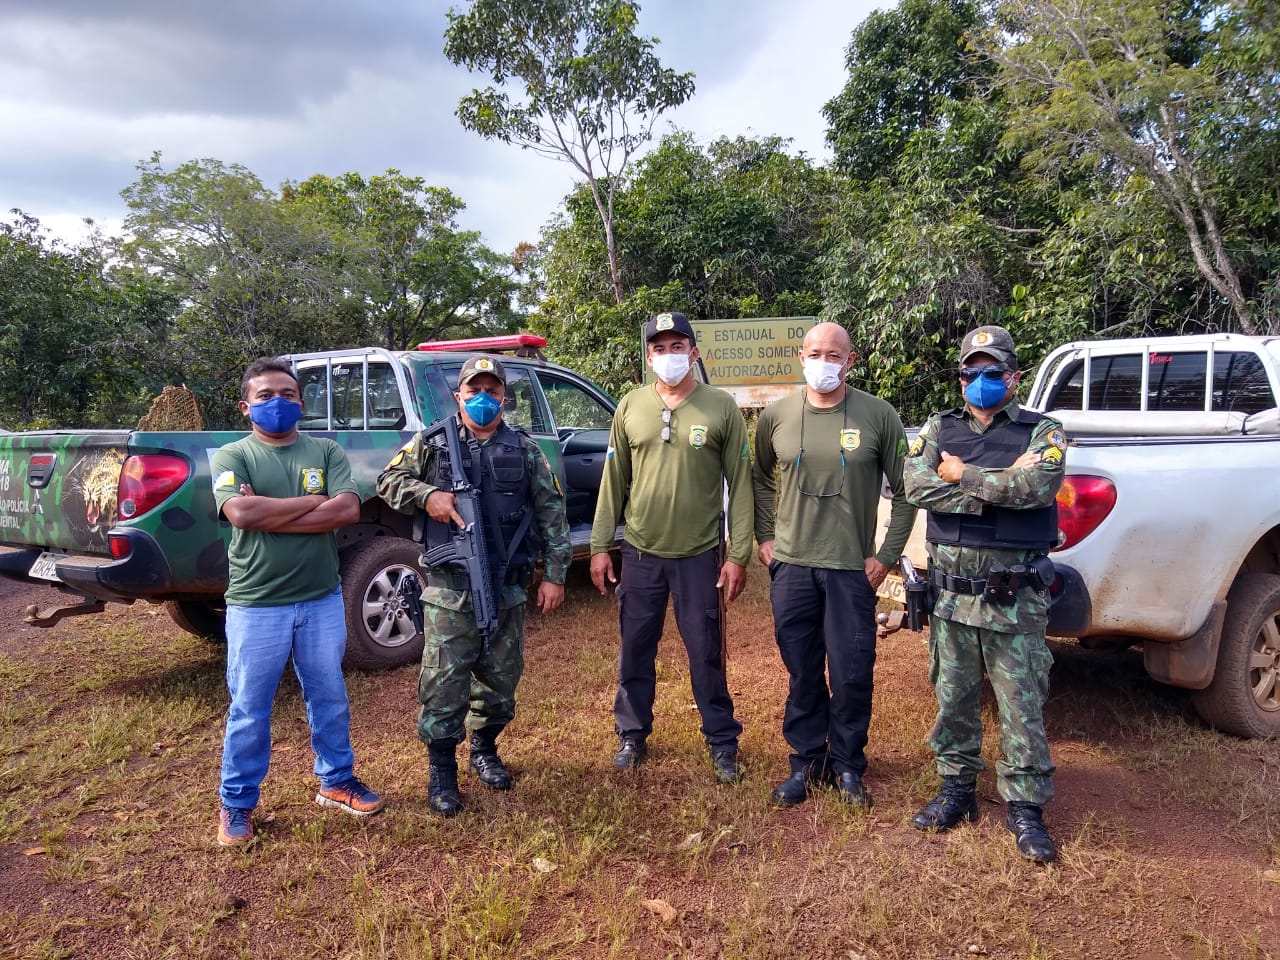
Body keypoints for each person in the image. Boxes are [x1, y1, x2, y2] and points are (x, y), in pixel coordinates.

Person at [376, 354, 570, 817]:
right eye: (474, 390)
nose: (483, 399)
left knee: (502, 681)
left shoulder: (523, 449)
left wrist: (557, 575)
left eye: (492, 391)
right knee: (444, 682)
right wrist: (430, 496)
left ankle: (484, 748)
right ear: (459, 394)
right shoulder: (432, 444)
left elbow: (552, 513)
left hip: (507, 583)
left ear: (504, 396)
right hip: (448, 588)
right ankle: (441, 768)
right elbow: (388, 482)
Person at [903, 325, 1064, 864]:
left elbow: (1038, 487)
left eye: (992, 373)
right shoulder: (938, 427)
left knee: (1021, 705)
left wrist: (964, 473)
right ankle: (957, 790)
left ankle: (1025, 807)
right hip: (950, 600)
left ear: (1013, 378)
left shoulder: (1044, 430)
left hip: (1014, 601)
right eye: (971, 373)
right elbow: (917, 486)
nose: (980, 382)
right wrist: (994, 488)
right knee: (953, 701)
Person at [211, 358, 383, 847]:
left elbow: (347, 508)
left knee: (328, 696)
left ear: (302, 403)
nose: (278, 403)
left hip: (321, 599)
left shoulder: (325, 449)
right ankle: (237, 804)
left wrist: (271, 510)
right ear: (246, 406)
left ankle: (337, 781)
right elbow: (240, 512)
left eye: (287, 393)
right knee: (250, 707)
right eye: (265, 395)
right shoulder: (232, 456)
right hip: (256, 603)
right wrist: (313, 504)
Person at [753, 322, 916, 808]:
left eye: (834, 354)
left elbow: (907, 491)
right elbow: (760, 478)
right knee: (801, 668)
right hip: (793, 567)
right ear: (800, 356)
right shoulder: (777, 416)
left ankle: (847, 764)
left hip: (851, 569)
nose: (824, 362)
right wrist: (765, 538)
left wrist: (885, 557)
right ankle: (806, 761)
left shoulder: (878, 415)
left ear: (851, 360)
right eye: (815, 353)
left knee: (851, 670)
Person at [589, 311, 754, 783]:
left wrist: (738, 553)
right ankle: (632, 734)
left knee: (705, 651)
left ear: (694, 352)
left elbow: (741, 485)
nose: (669, 356)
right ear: (648, 356)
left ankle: (722, 741)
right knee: (636, 649)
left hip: (700, 555)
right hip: (641, 553)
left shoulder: (720, 407)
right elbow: (613, 480)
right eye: (659, 348)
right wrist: (601, 544)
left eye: (677, 346)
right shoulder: (631, 406)